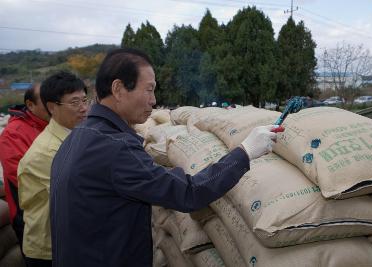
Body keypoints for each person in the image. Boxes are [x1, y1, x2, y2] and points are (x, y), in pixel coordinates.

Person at [50, 48, 277, 267]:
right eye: (149, 89)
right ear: (118, 89)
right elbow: (189, 193)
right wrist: (245, 152)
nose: (154, 100)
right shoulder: (116, 148)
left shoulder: (79, 136)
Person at [17, 71, 88, 267]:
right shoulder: (47, 152)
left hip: (67, 241)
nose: (83, 108)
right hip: (48, 249)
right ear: (51, 107)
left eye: (84, 100)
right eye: (74, 103)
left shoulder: (75, 136)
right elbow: (80, 195)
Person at [0, 84, 49, 250]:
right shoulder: (14, 133)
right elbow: (22, 177)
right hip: (30, 214)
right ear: (30, 104)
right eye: (46, 101)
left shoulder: (53, 124)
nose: (52, 106)